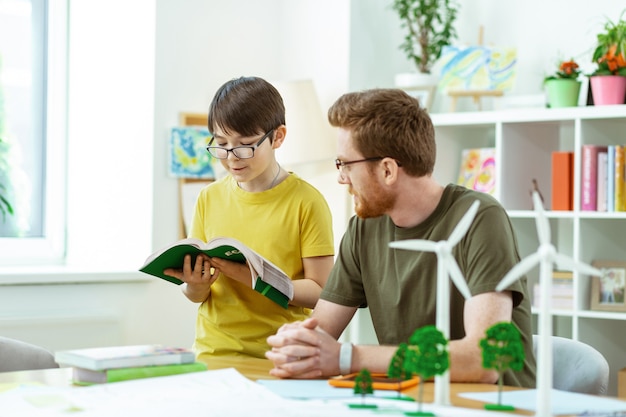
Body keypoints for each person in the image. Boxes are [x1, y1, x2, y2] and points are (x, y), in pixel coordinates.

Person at [265, 88, 537, 387]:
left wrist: (348, 357)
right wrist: (296, 346)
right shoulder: (363, 229)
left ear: (387, 170)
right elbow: (319, 335)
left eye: (345, 164)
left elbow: (485, 361)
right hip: (411, 403)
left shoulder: (480, 218)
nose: (341, 177)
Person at [164, 76, 335, 360]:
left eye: (244, 145)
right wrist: (195, 284)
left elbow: (321, 292)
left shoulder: (307, 202)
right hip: (212, 353)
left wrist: (254, 277)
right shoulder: (209, 197)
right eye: (221, 144)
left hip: (280, 354)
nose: (232, 157)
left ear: (278, 137)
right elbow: (198, 296)